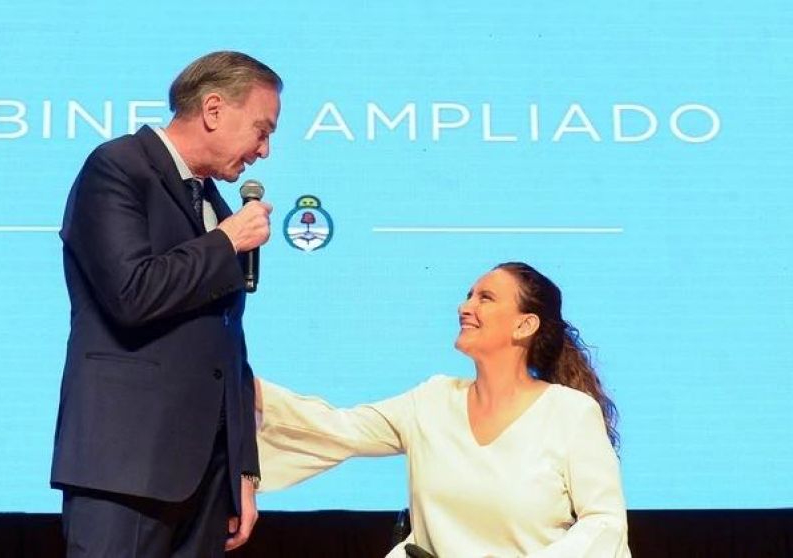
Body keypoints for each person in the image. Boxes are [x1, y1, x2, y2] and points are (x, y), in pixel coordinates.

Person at [50, 51, 282, 557]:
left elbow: (228, 348)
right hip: (125, 469)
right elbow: (131, 293)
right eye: (261, 130)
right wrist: (224, 244)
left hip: (205, 479)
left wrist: (242, 469)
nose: (264, 151)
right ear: (214, 109)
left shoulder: (214, 205)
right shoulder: (117, 168)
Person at [256, 262, 631, 557]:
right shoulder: (432, 400)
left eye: (485, 298)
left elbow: (604, 524)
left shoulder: (569, 412)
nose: (465, 307)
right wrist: (239, 388)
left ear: (524, 325)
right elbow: (336, 429)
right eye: (469, 295)